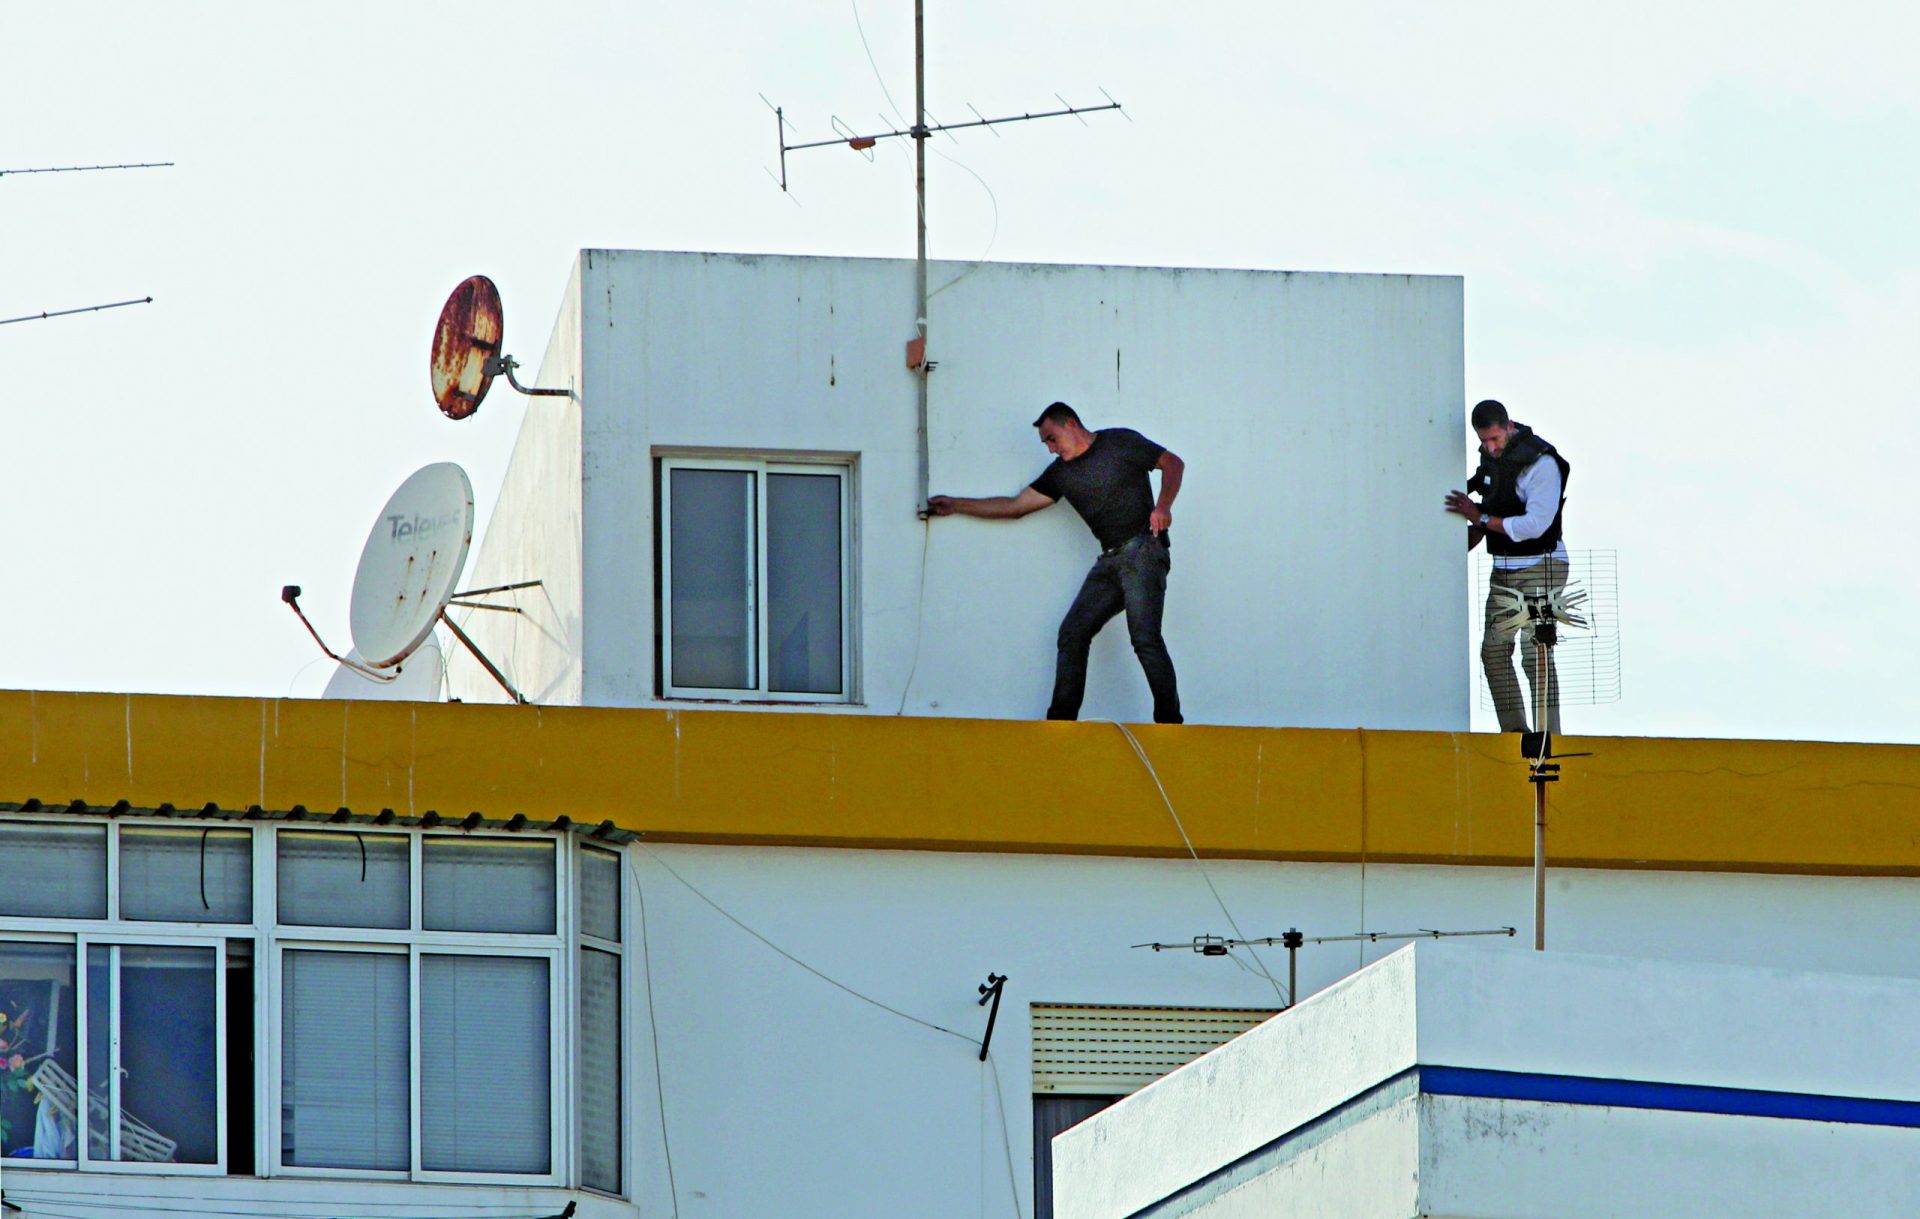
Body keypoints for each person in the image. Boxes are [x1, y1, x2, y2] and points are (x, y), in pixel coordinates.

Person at [927, 402, 1186, 724]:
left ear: (1070, 425)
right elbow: (1016, 505)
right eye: (1045, 443)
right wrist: (956, 505)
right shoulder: (1061, 474)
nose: (1050, 448)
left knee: (1144, 635)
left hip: (1143, 550)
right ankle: (1061, 724)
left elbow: (1173, 463)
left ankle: (1170, 724)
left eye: (1051, 438)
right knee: (1073, 632)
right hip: (1111, 560)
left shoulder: (1120, 442)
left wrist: (1163, 507)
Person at [1444, 399, 1571, 734]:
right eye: (1484, 441)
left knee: (1536, 653)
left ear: (1509, 426)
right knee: (1494, 654)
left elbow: (1535, 525)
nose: (1491, 447)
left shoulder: (1541, 463)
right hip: (1504, 569)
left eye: (1496, 439)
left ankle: (1548, 737)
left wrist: (1481, 518)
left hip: (1541, 566)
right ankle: (1516, 736)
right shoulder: (1492, 461)